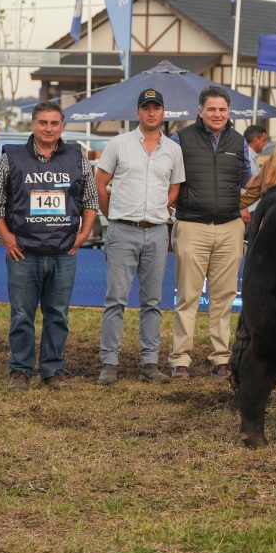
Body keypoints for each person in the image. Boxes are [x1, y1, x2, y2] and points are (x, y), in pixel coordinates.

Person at [0, 101, 98, 391]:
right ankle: (20, 370)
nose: (48, 128)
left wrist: (84, 233)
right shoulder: (12, 157)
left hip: (64, 253)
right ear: (33, 125)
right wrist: (7, 237)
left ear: (62, 126)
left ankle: (53, 369)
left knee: (57, 314)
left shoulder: (77, 156)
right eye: (43, 123)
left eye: (54, 123)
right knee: (22, 315)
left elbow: (90, 200)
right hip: (24, 252)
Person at [95, 89, 185, 385]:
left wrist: (162, 207)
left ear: (163, 112)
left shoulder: (172, 149)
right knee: (115, 300)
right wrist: (113, 217)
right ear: (138, 112)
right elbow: (101, 182)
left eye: (156, 108)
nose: (151, 112)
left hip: (157, 232)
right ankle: (109, 362)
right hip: (122, 229)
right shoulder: (118, 144)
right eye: (146, 108)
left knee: (153, 301)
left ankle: (149, 363)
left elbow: (175, 188)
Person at [169, 85, 253, 380]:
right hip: (192, 225)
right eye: (212, 109)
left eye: (222, 109)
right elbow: (167, 177)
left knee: (224, 297)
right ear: (200, 111)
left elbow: (251, 182)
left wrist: (243, 208)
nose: (217, 114)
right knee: (188, 296)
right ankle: (180, 359)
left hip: (230, 227)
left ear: (228, 112)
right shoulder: (180, 139)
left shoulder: (239, 141)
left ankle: (221, 358)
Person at [241, 124, 269, 226]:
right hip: (248, 209)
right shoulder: (246, 157)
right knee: (247, 241)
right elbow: (240, 183)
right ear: (255, 139)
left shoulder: (251, 156)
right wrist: (244, 209)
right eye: (264, 140)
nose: (265, 144)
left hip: (252, 207)